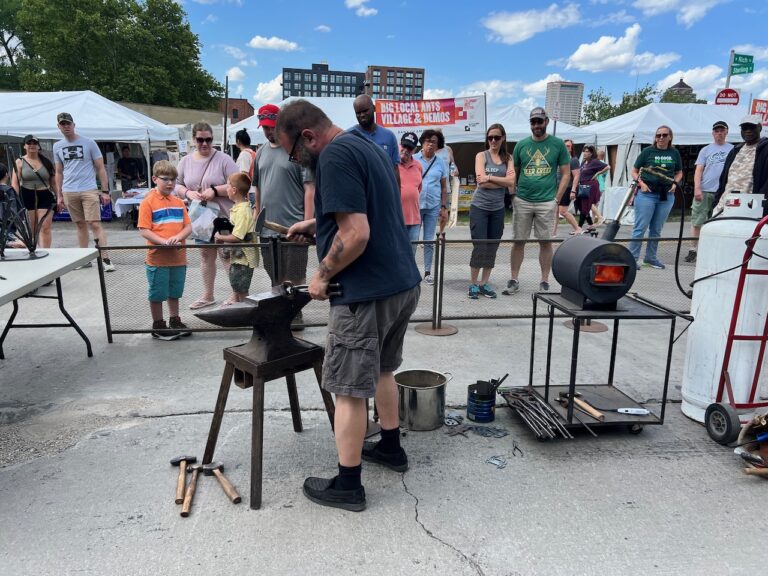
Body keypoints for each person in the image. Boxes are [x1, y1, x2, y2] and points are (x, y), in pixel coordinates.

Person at [276, 99, 420, 512]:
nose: (295, 160)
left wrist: (320, 274)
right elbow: (366, 211)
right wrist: (316, 225)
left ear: (308, 136)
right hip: (401, 284)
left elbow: (356, 234)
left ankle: (348, 484)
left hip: (363, 294)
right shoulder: (366, 146)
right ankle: (390, 448)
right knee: (383, 369)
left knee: (347, 390)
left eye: (293, 151)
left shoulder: (333, 157)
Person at [503, 107, 570, 295]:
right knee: (518, 241)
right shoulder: (521, 145)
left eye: (539, 121)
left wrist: (556, 199)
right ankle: (514, 278)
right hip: (522, 199)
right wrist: (513, 195)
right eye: (533, 122)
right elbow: (513, 171)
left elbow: (566, 174)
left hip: (546, 201)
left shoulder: (557, 144)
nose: (536, 125)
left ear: (546, 121)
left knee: (545, 242)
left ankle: (544, 280)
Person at [174, 121, 239, 309]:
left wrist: (215, 190)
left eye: (208, 139)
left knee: (226, 254)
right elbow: (177, 184)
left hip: (223, 216)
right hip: (201, 215)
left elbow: (238, 185)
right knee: (205, 255)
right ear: (194, 139)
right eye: (201, 140)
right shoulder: (185, 161)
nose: (205, 143)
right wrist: (188, 193)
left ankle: (237, 294)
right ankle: (208, 295)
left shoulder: (224, 159)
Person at [252, 103, 315, 296]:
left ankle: (295, 313)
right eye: (265, 128)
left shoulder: (297, 150)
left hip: (292, 228)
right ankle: (278, 314)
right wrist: (256, 213)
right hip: (267, 230)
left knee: (295, 276)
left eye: (272, 126)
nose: (269, 131)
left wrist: (306, 225)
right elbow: (258, 186)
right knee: (274, 276)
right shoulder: (261, 152)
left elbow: (310, 189)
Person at [137, 160, 193, 341]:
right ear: (155, 179)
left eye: (173, 180)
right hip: (158, 258)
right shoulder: (148, 203)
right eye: (165, 179)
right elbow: (144, 230)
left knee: (175, 291)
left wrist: (178, 237)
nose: (170, 183)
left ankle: (175, 320)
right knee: (157, 292)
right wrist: (163, 241)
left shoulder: (178, 202)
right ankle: (158, 324)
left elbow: (188, 227)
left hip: (178, 257)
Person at [53, 112, 116, 271]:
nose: (66, 126)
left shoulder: (89, 143)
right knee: (80, 224)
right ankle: (84, 258)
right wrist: (59, 194)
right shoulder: (57, 146)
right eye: (63, 124)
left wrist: (105, 191)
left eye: (68, 123)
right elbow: (59, 172)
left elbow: (101, 167)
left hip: (88, 189)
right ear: (58, 126)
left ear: (74, 125)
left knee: (94, 223)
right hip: (69, 190)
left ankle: (105, 259)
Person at [468, 123, 515, 299]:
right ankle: (473, 284)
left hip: (497, 209)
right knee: (480, 246)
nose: (493, 140)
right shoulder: (481, 155)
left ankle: (484, 283)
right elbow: (482, 182)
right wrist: (501, 180)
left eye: (497, 137)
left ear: (503, 138)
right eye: (490, 137)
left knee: (492, 247)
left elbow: (512, 182)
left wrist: (490, 177)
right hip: (480, 207)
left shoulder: (508, 158)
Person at [629, 125, 683, 270]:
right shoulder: (648, 151)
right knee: (640, 227)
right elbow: (634, 171)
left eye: (664, 135)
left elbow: (679, 172)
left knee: (656, 229)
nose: (660, 138)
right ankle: (632, 258)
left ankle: (650, 258)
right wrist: (641, 184)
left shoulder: (674, 153)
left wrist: (675, 183)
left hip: (666, 194)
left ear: (670, 137)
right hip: (647, 193)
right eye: (658, 135)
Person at [685, 121, 733, 263]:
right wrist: (697, 189)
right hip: (705, 190)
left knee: (720, 222)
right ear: (713, 133)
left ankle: (715, 250)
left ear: (726, 132)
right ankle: (693, 249)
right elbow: (699, 170)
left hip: (724, 192)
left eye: (722, 130)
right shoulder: (705, 150)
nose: (719, 133)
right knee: (697, 221)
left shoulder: (733, 149)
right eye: (717, 131)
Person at [214, 173, 257, 304]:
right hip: (238, 257)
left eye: (228, 186)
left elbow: (238, 236)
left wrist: (219, 236)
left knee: (242, 289)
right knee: (237, 287)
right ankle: (241, 310)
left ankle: (247, 315)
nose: (226, 189)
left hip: (244, 259)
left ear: (234, 190)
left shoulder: (243, 210)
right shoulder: (239, 208)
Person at [12, 134, 61, 249]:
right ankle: (34, 249)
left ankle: (46, 251)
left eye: (35, 143)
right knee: (32, 228)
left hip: (45, 195)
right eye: (29, 143)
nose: (32, 145)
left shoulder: (46, 162)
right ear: (24, 146)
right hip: (27, 195)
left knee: (45, 226)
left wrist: (59, 197)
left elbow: (53, 183)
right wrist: (16, 200)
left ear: (39, 146)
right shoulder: (20, 162)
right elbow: (15, 183)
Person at [414, 129, 449, 285]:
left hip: (433, 206)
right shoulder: (414, 160)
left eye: (433, 141)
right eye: (427, 141)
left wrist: (443, 207)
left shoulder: (441, 162)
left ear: (437, 145)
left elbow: (443, 187)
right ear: (422, 142)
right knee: (413, 239)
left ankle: (428, 272)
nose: (430, 144)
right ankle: (410, 271)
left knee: (429, 240)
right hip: (415, 206)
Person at [714, 114, 768, 214]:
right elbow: (723, 181)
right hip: (724, 207)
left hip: (750, 209)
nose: (748, 130)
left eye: (752, 127)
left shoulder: (765, 149)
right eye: (744, 127)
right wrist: (715, 203)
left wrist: (761, 208)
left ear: (760, 127)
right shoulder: (735, 150)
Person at [349, 94, 400, 189]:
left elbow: (395, 170)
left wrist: (397, 199)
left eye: (365, 111)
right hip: (359, 193)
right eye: (358, 113)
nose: (362, 115)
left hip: (384, 192)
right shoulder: (348, 136)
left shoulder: (389, 136)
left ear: (374, 108)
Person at [398, 132, 422, 255]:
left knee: (410, 257)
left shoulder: (418, 166)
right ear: (399, 145)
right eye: (404, 146)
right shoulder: (391, 163)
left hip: (414, 220)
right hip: (396, 219)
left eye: (410, 148)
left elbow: (418, 189)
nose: (406, 150)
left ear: (415, 150)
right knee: (396, 256)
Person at [575, 145, 609, 231]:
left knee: (586, 206)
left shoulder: (594, 162)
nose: (585, 153)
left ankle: (578, 228)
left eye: (587, 152)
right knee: (580, 206)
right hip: (582, 185)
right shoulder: (583, 162)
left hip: (590, 186)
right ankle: (591, 224)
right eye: (584, 151)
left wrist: (598, 173)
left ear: (591, 153)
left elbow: (608, 167)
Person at [553, 139, 581, 236]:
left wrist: (573, 190)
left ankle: (577, 228)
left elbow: (577, 176)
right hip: (558, 188)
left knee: (563, 211)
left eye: (568, 146)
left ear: (571, 148)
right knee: (555, 211)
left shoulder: (573, 160)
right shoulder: (560, 159)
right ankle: (553, 232)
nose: (566, 147)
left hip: (567, 188)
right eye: (565, 145)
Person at [1, 163, 26, 248]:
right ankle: (8, 242)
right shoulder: (8, 190)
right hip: (7, 224)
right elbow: (14, 208)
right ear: (6, 175)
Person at [234, 128, 257, 204]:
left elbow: (244, 174)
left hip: (249, 192)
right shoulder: (253, 153)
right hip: (255, 190)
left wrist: (244, 193)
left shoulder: (244, 154)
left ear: (238, 141)